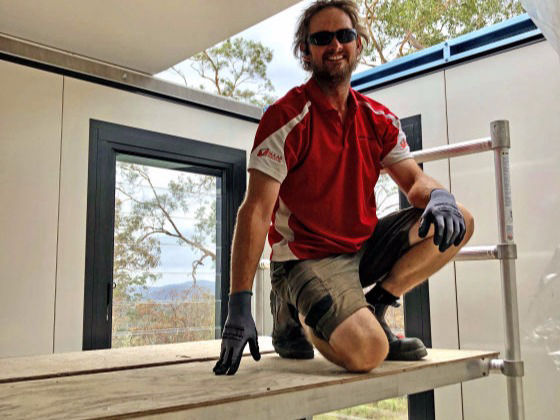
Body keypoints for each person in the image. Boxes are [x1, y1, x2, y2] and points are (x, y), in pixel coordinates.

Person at [213, 0, 474, 376]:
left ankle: (378, 306)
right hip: (306, 257)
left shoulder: (378, 118)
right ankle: (294, 308)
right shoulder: (286, 117)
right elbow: (254, 211)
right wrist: (238, 304)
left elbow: (414, 180)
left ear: (358, 44)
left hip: (361, 248)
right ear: (306, 51)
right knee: (369, 351)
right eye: (321, 38)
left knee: (461, 219)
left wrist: (439, 195)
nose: (334, 45)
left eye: (344, 35)